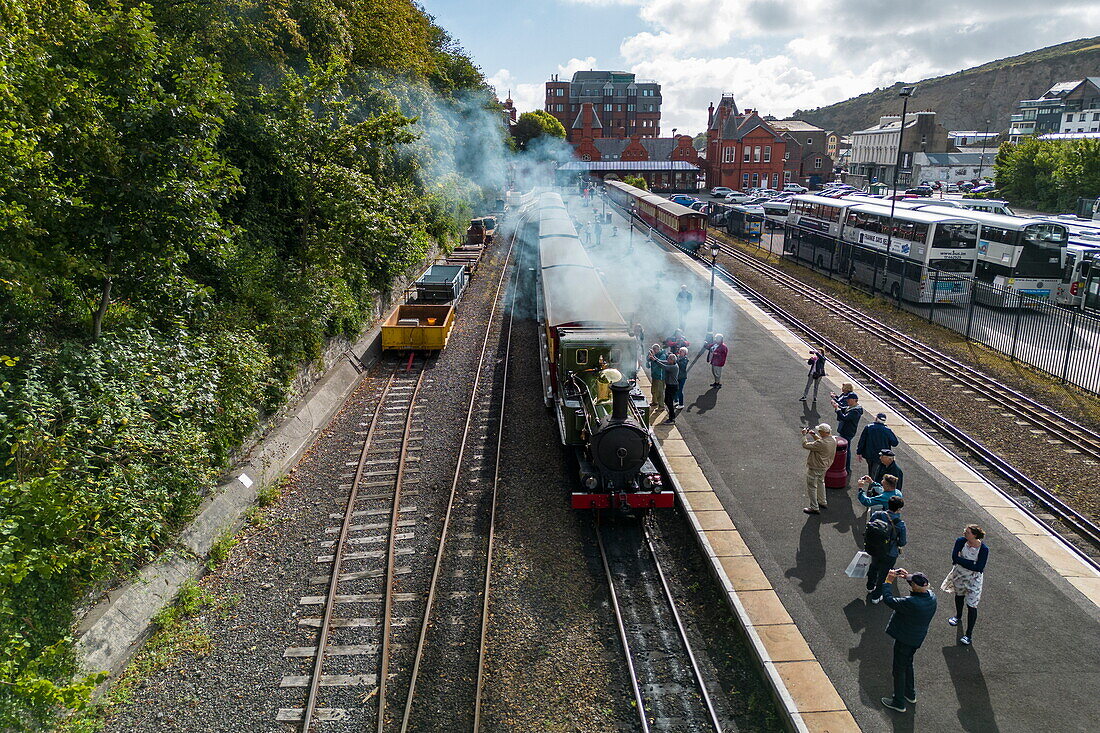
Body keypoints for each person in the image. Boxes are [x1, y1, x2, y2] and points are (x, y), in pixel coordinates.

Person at [879, 568, 936, 713]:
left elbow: (889, 600)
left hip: (904, 639)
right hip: (916, 639)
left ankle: (898, 702)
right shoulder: (931, 596)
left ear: (916, 587)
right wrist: (907, 578)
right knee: (908, 663)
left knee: (898, 669)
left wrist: (888, 582)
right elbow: (917, 585)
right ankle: (910, 693)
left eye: (911, 583)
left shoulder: (911, 602)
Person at [941, 524, 989, 646]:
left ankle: (969, 634)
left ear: (975, 535)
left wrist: (961, 560)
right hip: (960, 575)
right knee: (959, 596)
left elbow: (979, 567)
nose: (964, 534)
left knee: (972, 605)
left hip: (974, 579)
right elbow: (954, 558)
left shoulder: (983, 549)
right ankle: (958, 616)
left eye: (967, 532)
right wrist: (971, 563)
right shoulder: (961, 541)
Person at [864, 496, 907, 603]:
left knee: (873, 567)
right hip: (890, 552)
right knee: (884, 574)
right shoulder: (900, 524)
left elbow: (870, 526)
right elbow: (902, 542)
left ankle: (870, 586)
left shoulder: (877, 514)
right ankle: (876, 596)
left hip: (875, 547)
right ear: (898, 509)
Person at [801, 423, 837, 515]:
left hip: (815, 466)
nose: (819, 433)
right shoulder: (833, 439)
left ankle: (814, 507)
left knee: (812, 486)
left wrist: (804, 435)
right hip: (825, 466)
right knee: (821, 482)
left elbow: (805, 445)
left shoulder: (820, 443)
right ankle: (822, 501)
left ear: (823, 432)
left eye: (819, 431)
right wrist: (814, 435)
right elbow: (822, 441)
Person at [856, 413, 898, 478]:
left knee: (871, 471)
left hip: (868, 454)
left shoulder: (868, 427)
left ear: (876, 418)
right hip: (881, 456)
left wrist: (859, 452)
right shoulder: (887, 430)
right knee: (875, 474)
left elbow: (862, 441)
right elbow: (895, 443)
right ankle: (873, 486)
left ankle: (872, 484)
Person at [835, 393, 864, 477]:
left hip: (847, 432)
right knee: (845, 449)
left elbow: (845, 418)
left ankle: (846, 467)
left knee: (846, 450)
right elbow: (844, 409)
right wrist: (837, 406)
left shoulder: (855, 411)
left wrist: (837, 410)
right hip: (846, 431)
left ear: (854, 400)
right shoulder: (852, 408)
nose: (847, 400)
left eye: (849, 399)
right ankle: (844, 465)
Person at [647, 344, 668, 410]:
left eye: (654, 350)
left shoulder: (663, 355)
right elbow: (648, 361)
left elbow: (658, 362)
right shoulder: (654, 354)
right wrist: (648, 356)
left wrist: (653, 356)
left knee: (660, 391)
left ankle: (661, 406)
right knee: (653, 390)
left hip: (660, 376)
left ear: (657, 349)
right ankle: (654, 401)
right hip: (654, 375)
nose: (654, 351)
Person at [663, 353, 680, 422]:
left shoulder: (674, 367)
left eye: (669, 359)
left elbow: (664, 367)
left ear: (672, 360)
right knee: (666, 401)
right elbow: (664, 362)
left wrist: (655, 361)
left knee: (669, 402)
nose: (667, 360)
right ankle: (671, 415)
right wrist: (656, 359)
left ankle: (671, 418)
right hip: (669, 385)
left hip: (672, 386)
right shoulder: (671, 364)